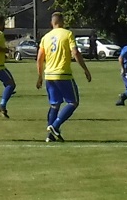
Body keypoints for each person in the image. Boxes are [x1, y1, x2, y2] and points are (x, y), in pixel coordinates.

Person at [37, 12, 91, 142]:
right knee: (73, 102)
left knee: (54, 105)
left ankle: (50, 136)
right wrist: (85, 69)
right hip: (63, 74)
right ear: (63, 22)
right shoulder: (67, 34)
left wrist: (40, 76)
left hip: (49, 75)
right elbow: (75, 52)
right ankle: (55, 126)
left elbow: (39, 58)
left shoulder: (46, 37)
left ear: (52, 22)